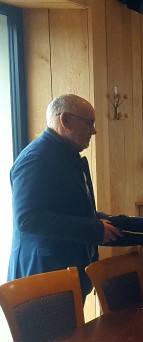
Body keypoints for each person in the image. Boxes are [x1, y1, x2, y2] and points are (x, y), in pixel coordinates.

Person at [9, 94, 122, 299]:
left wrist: (131, 229)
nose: (94, 130)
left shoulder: (63, 155)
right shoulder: (36, 158)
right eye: (89, 123)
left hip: (61, 274)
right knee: (56, 333)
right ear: (66, 121)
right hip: (42, 280)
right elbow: (27, 219)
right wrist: (94, 229)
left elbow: (72, 211)